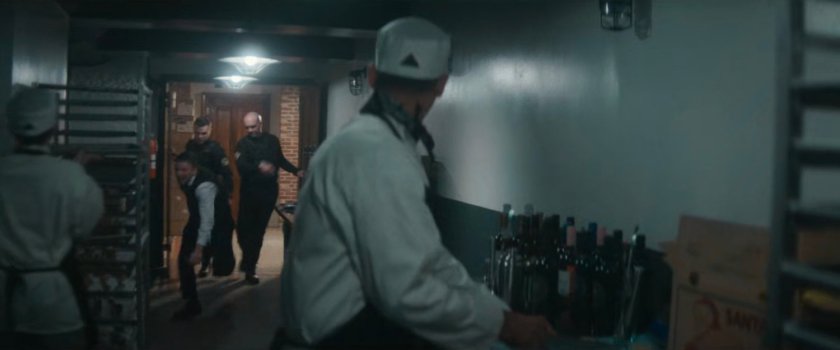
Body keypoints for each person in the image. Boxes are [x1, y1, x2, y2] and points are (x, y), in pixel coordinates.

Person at [278, 17, 555, 350]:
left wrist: (498, 313)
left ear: (372, 76)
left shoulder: (364, 143)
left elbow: (432, 262)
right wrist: (502, 324)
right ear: (441, 84)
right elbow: (406, 288)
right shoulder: (378, 153)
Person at [0, 87, 104, 350]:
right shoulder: (71, 177)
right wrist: (76, 169)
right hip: (54, 300)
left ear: (10, 128)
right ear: (54, 129)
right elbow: (83, 228)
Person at [235, 112, 303, 285]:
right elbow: (241, 165)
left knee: (258, 231)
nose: (250, 130)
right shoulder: (242, 144)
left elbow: (280, 160)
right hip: (249, 192)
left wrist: (296, 171)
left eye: (253, 126)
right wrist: (259, 166)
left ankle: (250, 268)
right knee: (243, 230)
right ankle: (248, 258)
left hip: (267, 192)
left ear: (260, 123)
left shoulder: (272, 141)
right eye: (247, 127)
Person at [171, 152, 235, 320]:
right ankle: (192, 302)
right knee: (184, 258)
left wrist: (198, 250)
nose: (179, 173)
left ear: (194, 170)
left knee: (223, 265)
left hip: (219, 224)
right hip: (199, 218)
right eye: (177, 170)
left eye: (184, 170)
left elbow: (207, 221)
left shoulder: (204, 187)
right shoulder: (190, 178)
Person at [184, 116, 234, 278]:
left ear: (210, 130)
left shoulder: (215, 149)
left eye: (203, 133)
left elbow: (226, 174)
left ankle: (212, 263)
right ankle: (204, 262)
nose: (200, 137)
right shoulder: (190, 146)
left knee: (214, 229)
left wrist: (228, 195)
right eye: (197, 133)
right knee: (200, 227)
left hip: (214, 195)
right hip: (195, 195)